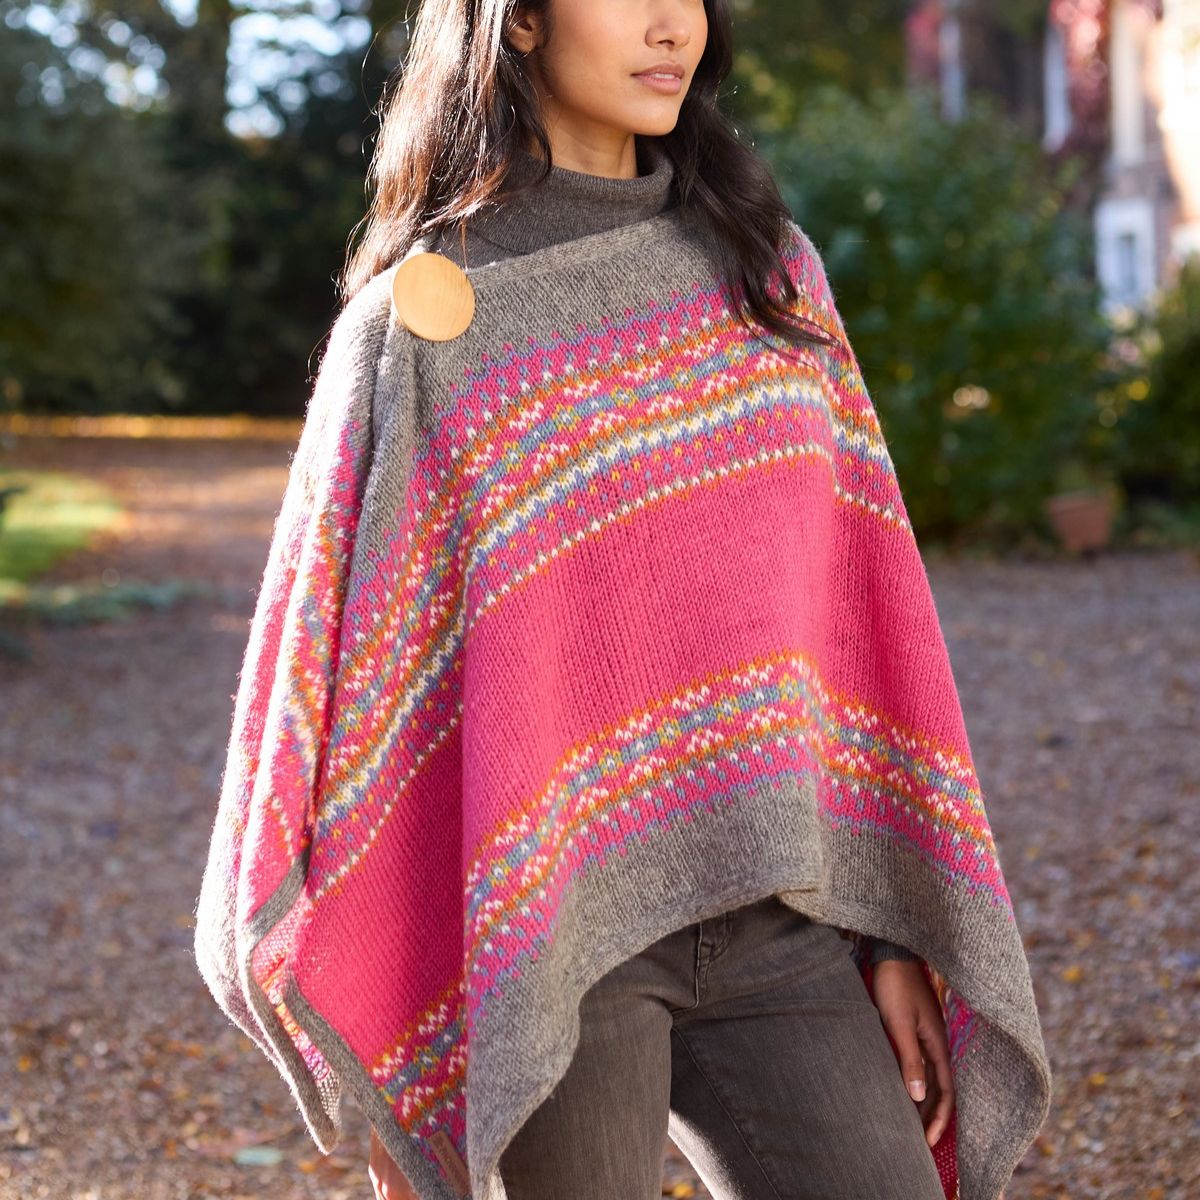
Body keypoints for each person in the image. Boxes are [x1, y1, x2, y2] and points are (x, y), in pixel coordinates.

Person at [193, 2, 1052, 1199]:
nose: (669, 26)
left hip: (780, 909)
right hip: (550, 945)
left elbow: (858, 620)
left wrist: (890, 919)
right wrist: (417, 1046)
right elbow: (351, 688)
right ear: (524, 23)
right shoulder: (425, 329)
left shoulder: (771, 275)